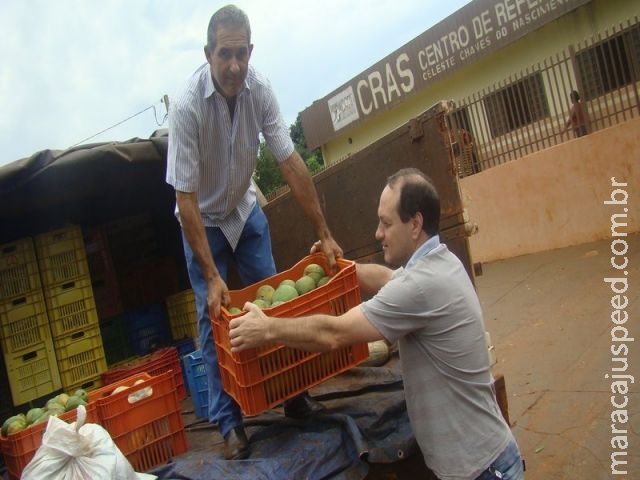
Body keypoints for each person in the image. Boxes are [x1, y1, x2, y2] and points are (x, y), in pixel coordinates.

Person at [229, 168, 525, 479]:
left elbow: (334, 333)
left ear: (415, 224)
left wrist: (268, 328)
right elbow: (387, 279)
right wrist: (341, 268)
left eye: (386, 223)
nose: (377, 233)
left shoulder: (422, 286)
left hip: (484, 470)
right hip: (481, 463)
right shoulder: (437, 263)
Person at [165, 4, 342, 461]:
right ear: (208, 54)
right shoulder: (186, 106)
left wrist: (323, 231)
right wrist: (212, 275)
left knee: (276, 300)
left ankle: (292, 394)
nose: (234, 66)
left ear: (251, 51)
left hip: (244, 214)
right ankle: (229, 424)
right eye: (225, 54)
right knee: (215, 319)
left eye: (242, 53)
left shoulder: (259, 89)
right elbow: (185, 199)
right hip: (202, 221)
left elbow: (289, 161)